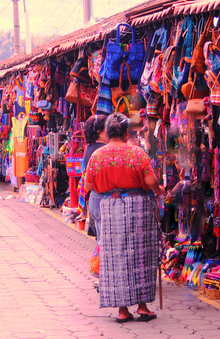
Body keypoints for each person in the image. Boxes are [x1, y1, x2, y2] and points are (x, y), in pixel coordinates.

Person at [84, 112, 165, 324]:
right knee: (141, 255)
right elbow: (151, 180)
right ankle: (143, 307)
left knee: (116, 256)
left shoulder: (97, 156)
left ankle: (122, 310)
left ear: (108, 133)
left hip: (110, 208)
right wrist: (159, 191)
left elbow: (88, 186)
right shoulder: (137, 154)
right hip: (137, 206)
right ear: (126, 132)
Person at [81, 114, 108, 241]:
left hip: (94, 198)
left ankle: (98, 261)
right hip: (104, 198)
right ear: (100, 132)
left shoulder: (89, 148)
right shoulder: (103, 150)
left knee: (100, 242)